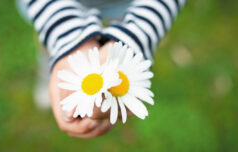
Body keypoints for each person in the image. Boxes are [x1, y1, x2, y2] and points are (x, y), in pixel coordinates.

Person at [18, 0, 186, 138]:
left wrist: (138, 33)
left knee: (117, 42)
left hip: (130, 5)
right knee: (52, 49)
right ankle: (48, 72)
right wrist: (68, 39)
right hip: (53, 7)